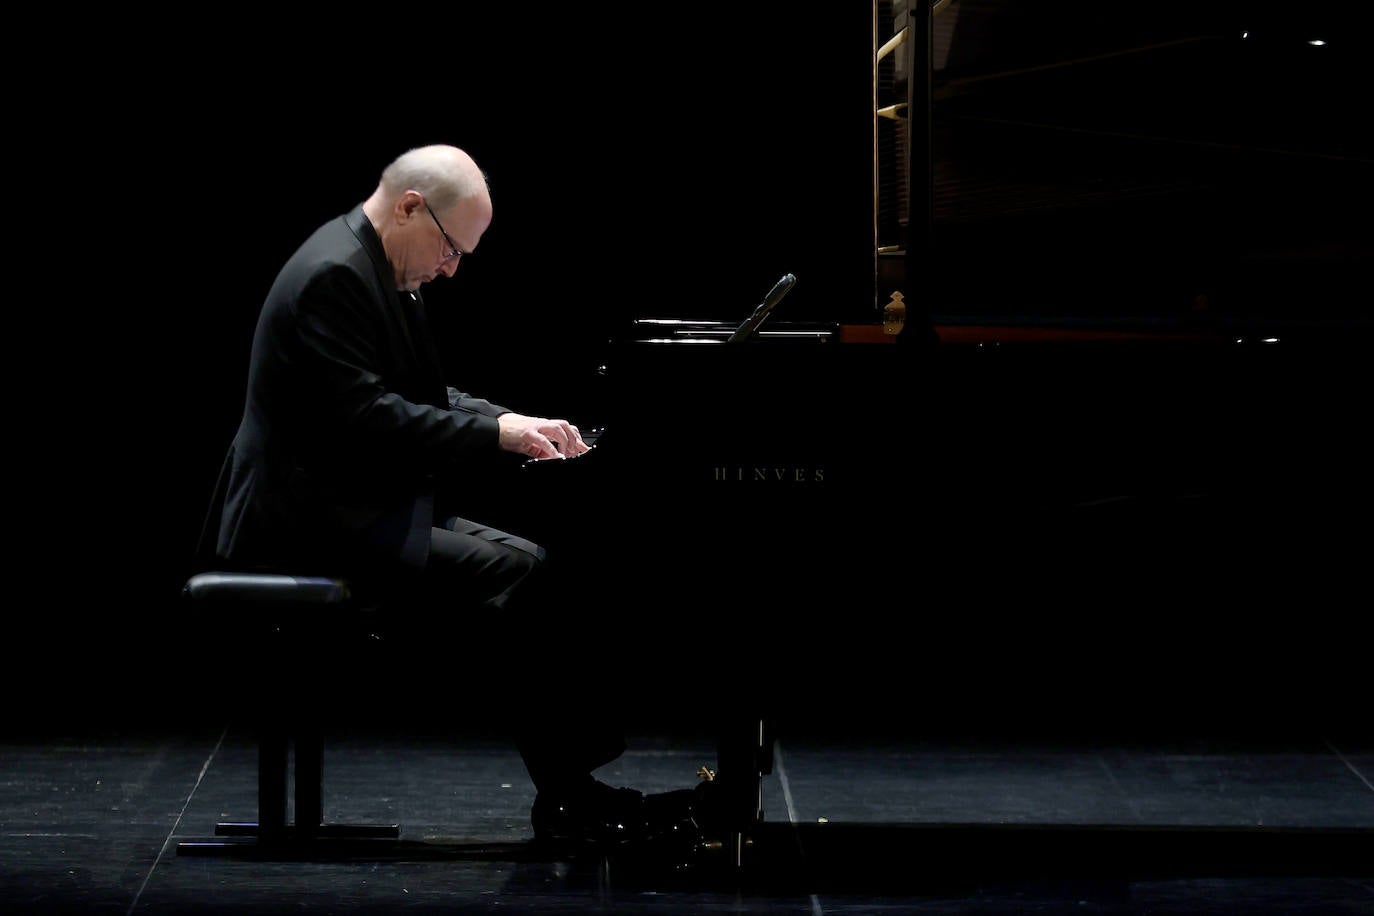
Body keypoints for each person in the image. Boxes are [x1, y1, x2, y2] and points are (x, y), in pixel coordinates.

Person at [198, 143, 692, 851]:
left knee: (530, 562)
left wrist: (509, 420)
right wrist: (494, 437)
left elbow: (419, 395)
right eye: (452, 248)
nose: (452, 268)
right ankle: (570, 793)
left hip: (343, 508)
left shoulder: (376, 266)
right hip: (297, 525)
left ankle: (570, 787)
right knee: (514, 574)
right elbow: (368, 417)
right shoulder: (335, 276)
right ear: (410, 207)